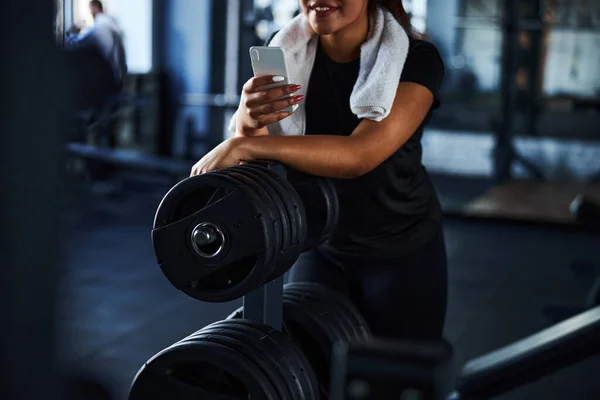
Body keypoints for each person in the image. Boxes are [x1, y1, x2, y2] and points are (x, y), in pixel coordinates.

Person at [191, 0, 447, 342]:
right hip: (321, 243)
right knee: (309, 371)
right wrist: (249, 122)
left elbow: (360, 154)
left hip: (401, 249)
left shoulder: (415, 59)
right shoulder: (285, 53)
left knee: (395, 381)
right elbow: (263, 161)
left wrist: (242, 145)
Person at [65, 0, 127, 94]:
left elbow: (79, 43)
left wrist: (72, 34)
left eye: (90, 10)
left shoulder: (101, 25)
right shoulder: (111, 23)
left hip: (109, 76)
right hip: (118, 75)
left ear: (94, 8)